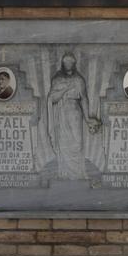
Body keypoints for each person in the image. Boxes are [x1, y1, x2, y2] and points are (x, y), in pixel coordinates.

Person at [46, 52, 101, 180]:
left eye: (70, 62)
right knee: (63, 143)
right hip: (61, 113)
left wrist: (87, 118)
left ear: (74, 64)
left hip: (75, 113)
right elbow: (52, 98)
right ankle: (64, 173)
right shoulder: (57, 79)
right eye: (66, 62)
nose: (68, 64)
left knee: (77, 143)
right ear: (63, 63)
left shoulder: (79, 79)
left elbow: (84, 99)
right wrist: (65, 89)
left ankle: (79, 173)